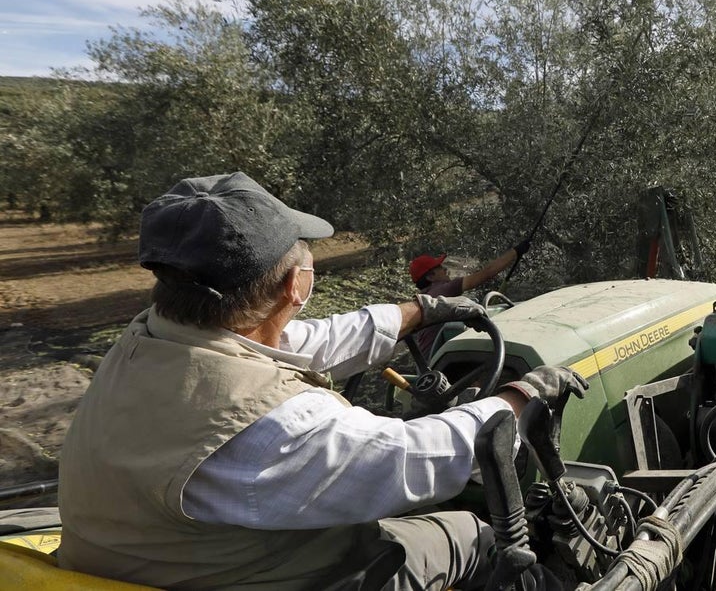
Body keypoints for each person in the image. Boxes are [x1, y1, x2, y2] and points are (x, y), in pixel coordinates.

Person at [57, 172, 586, 591]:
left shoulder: (151, 339)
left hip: (146, 556)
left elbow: (303, 341)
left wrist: (420, 312)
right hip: (251, 577)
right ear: (297, 284)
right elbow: (425, 456)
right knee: (470, 533)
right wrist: (522, 396)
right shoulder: (271, 429)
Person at [409, 238, 530, 353]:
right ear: (430, 277)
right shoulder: (443, 290)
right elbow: (487, 273)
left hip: (429, 365)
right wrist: (516, 251)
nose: (445, 270)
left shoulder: (424, 299)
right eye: (440, 268)